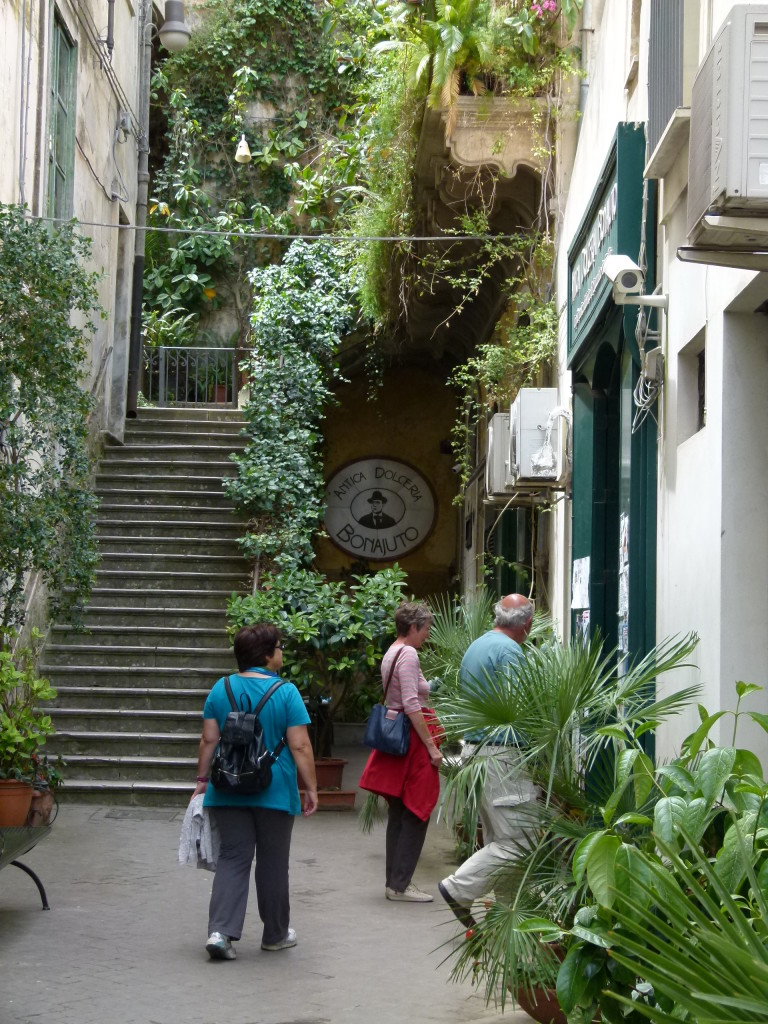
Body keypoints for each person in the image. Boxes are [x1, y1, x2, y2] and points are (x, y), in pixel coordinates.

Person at [191, 624, 318, 961]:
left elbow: (208, 739)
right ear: (266, 655)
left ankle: (220, 932)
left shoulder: (221, 688)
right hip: (274, 789)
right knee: (274, 862)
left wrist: (202, 780)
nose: (282, 652)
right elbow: (300, 745)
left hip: (228, 786)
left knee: (233, 857)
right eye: (279, 647)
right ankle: (275, 935)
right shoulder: (287, 692)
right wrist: (311, 787)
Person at [438, 594, 537, 928]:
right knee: (521, 841)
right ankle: (458, 889)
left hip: (476, 753)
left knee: (500, 839)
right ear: (527, 624)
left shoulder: (477, 646)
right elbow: (520, 705)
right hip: (501, 755)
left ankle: (506, 918)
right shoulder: (510, 651)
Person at [359, 601, 443, 902]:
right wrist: (432, 747)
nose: (427, 634)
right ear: (413, 627)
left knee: (399, 811)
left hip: (396, 738)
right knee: (416, 811)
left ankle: (394, 882)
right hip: (411, 740)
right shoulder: (408, 653)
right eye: (426, 628)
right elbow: (410, 703)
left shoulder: (392, 651)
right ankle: (401, 884)